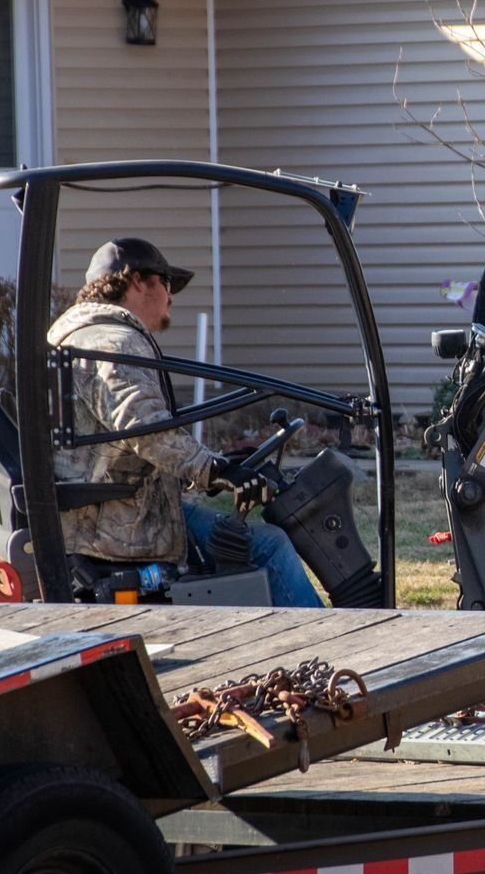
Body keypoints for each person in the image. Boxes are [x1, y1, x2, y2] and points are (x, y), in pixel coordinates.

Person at [47, 238, 322, 607]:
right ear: (139, 281)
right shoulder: (114, 342)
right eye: (167, 283)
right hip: (117, 529)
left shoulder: (83, 336)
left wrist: (222, 464)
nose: (172, 296)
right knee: (269, 547)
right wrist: (213, 469)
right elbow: (143, 427)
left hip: (114, 515)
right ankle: (333, 654)